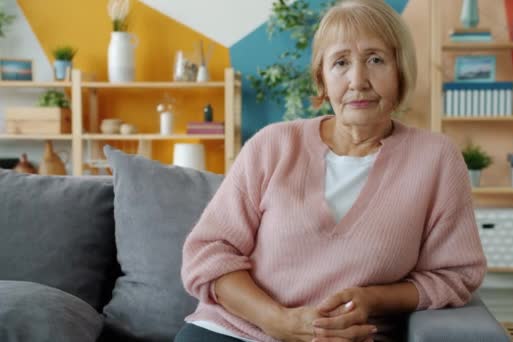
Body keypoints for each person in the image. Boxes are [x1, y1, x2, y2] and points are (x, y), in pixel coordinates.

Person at [175, 0, 486, 341]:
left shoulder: (435, 159)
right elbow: (209, 253)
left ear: (401, 72)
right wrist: (276, 320)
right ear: (321, 80)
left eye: (376, 59)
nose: (358, 80)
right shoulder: (273, 145)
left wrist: (373, 299)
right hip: (233, 330)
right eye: (340, 62)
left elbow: (456, 274)